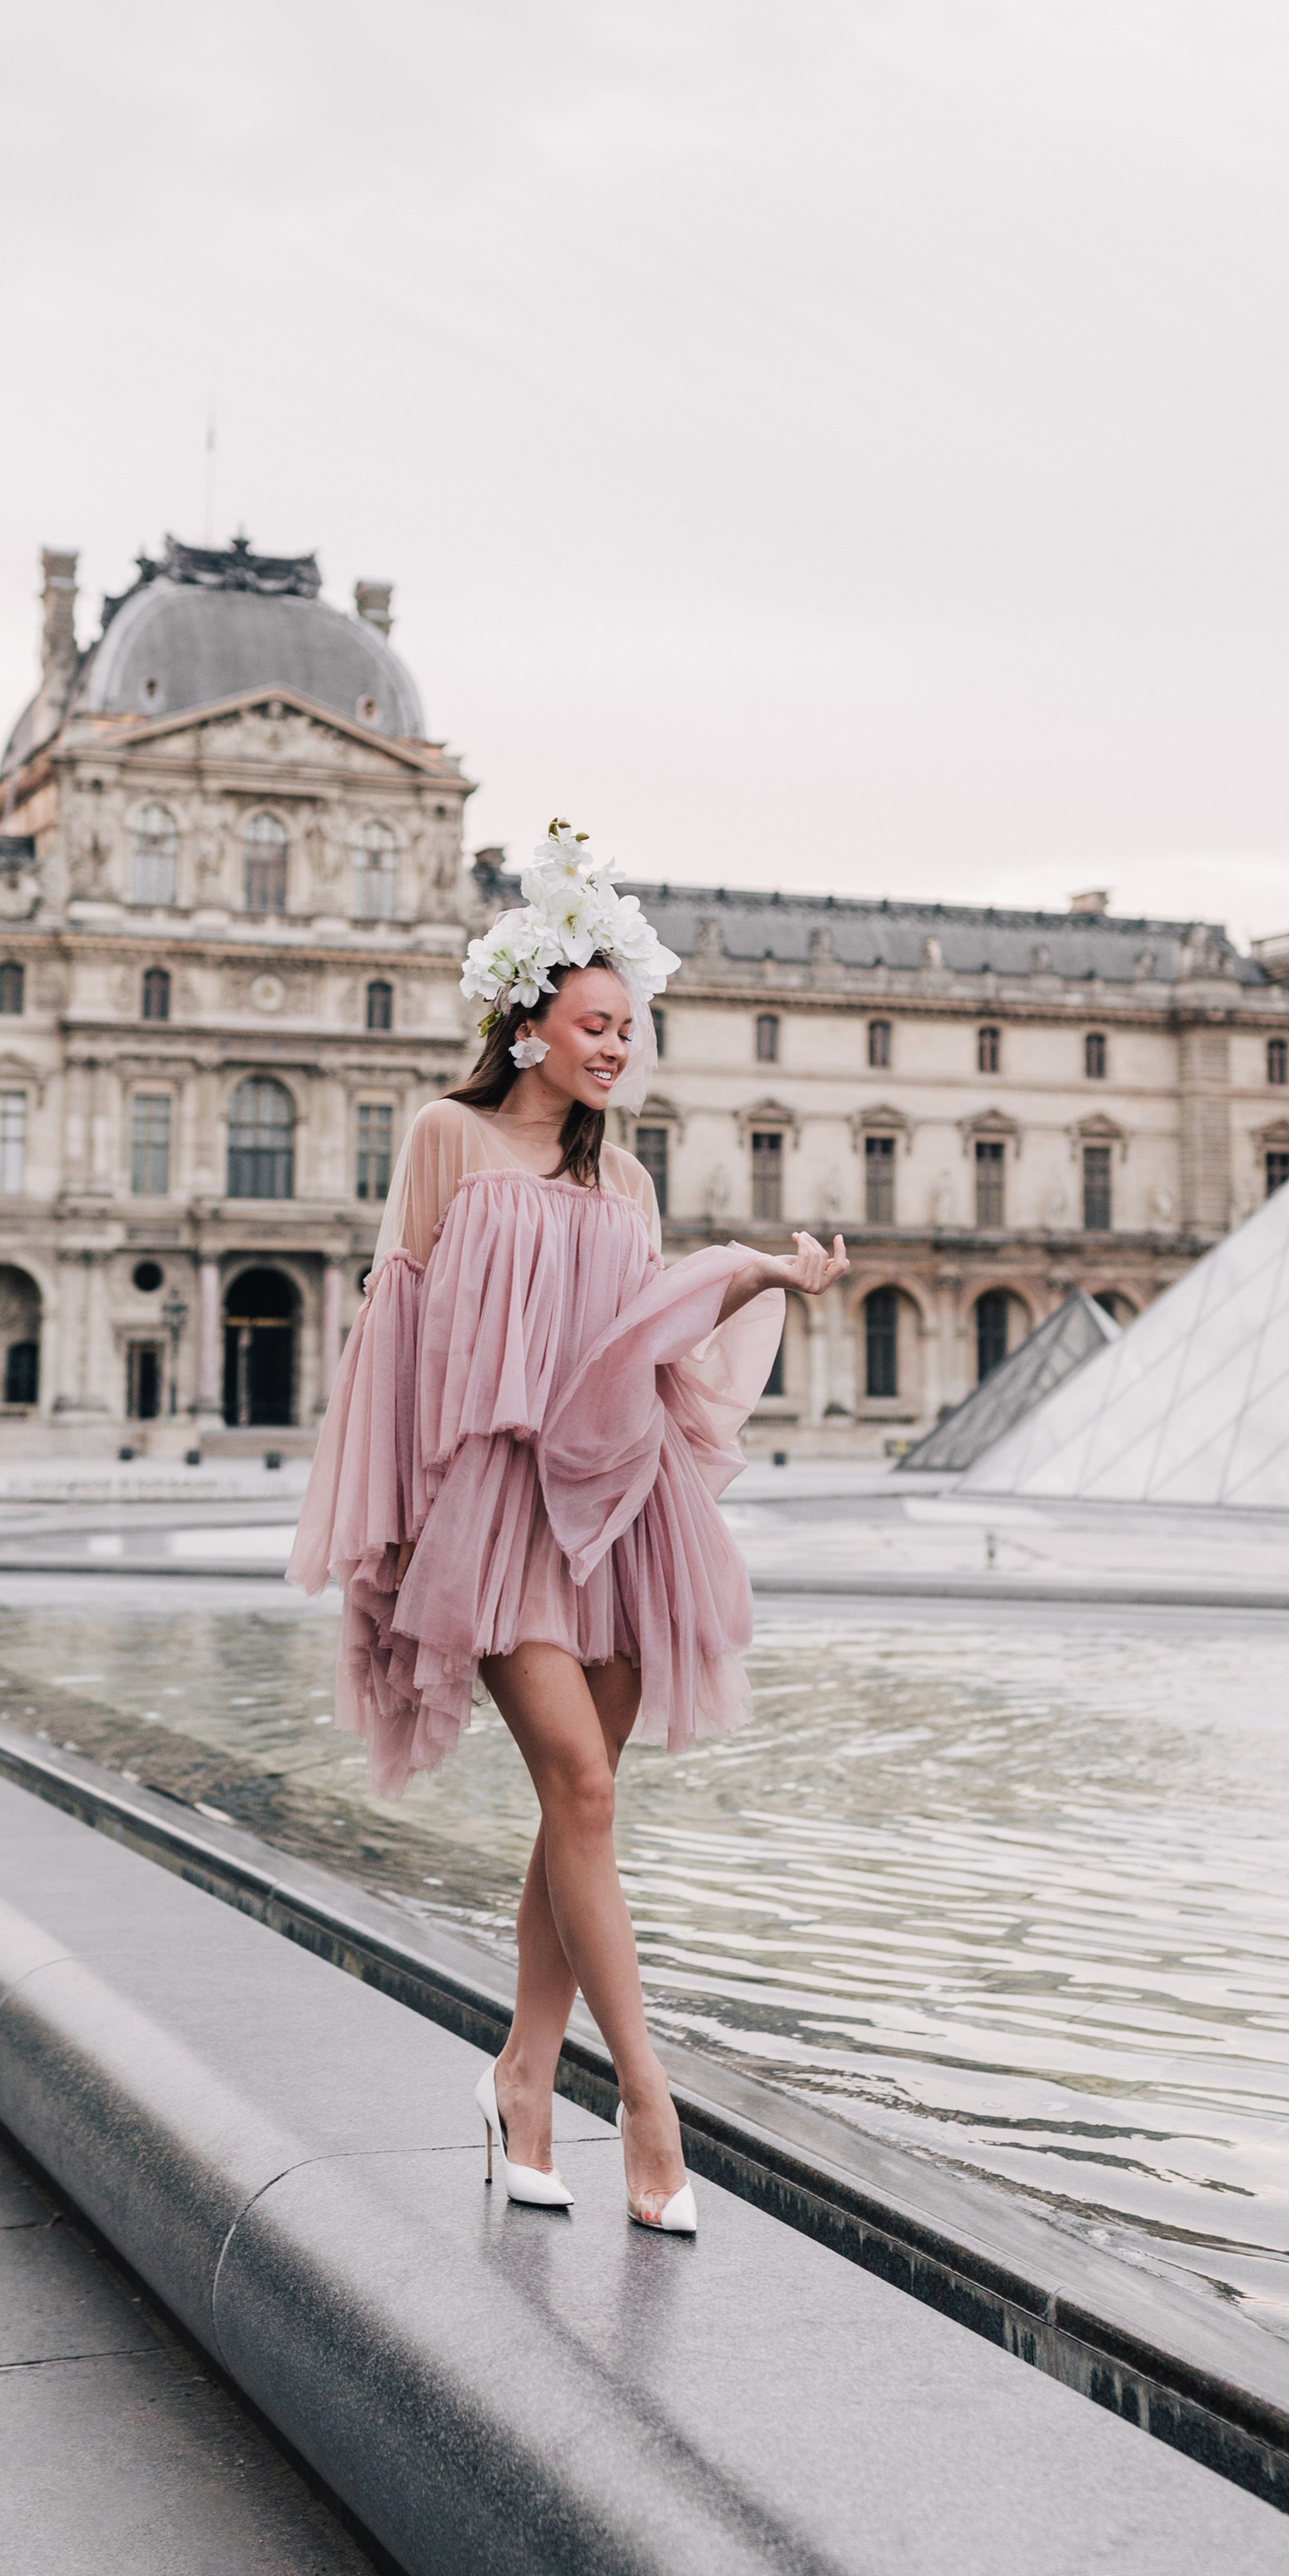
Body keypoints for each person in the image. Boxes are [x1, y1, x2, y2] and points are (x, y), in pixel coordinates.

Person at [290, 822, 847, 2234]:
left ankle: (524, 2079)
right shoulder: (446, 1140)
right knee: (584, 1794)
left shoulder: (626, 1181)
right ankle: (650, 2109)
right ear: (527, 1025)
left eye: (631, 1030)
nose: (618, 1051)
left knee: (577, 1801)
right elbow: (393, 1340)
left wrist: (755, 1277)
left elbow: (643, 1349)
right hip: (491, 1515)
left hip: (614, 1511)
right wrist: (402, 1522)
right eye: (598, 1026)